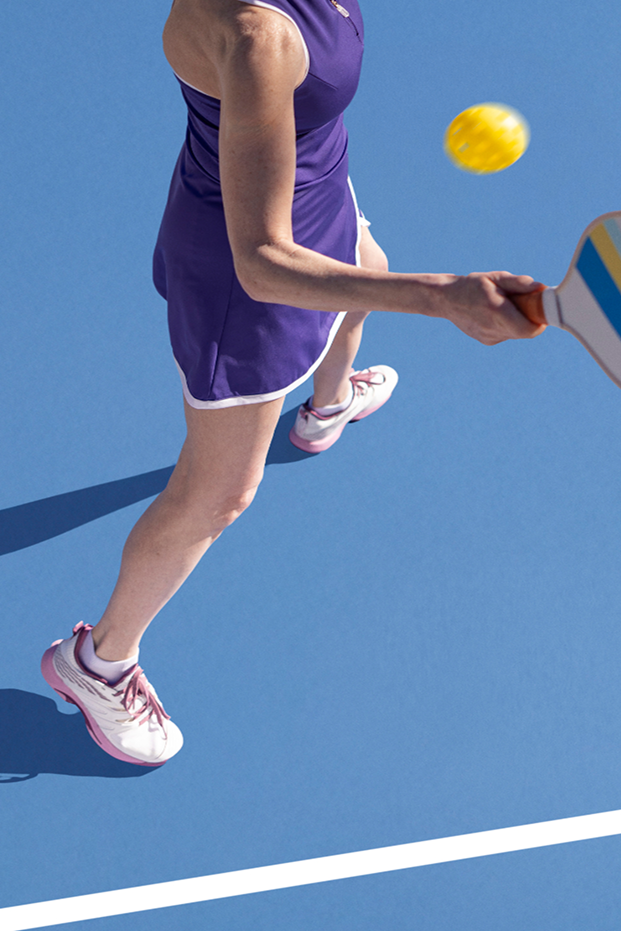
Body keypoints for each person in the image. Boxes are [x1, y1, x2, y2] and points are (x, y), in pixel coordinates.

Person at [41, 0, 545, 767]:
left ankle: (324, 408)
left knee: (364, 269)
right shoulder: (258, 35)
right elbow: (262, 264)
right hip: (250, 279)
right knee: (218, 493)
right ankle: (98, 661)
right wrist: (442, 296)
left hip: (316, 189)